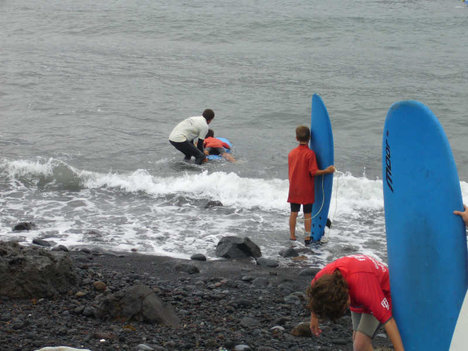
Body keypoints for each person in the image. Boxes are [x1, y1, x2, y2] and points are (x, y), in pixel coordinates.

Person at [307, 254, 405, 351]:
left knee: (360, 345)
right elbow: (314, 295)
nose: (347, 308)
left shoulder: (366, 292)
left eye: (345, 306)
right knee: (357, 339)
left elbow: (389, 322)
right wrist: (314, 317)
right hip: (358, 280)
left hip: (382, 290)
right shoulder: (322, 280)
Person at [287, 125, 335, 245]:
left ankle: (292, 236)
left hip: (294, 187)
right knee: (307, 213)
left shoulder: (291, 153)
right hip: (306, 188)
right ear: (309, 138)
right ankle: (307, 237)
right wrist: (327, 171)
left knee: (294, 212)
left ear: (296, 138)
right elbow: (314, 172)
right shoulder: (310, 154)